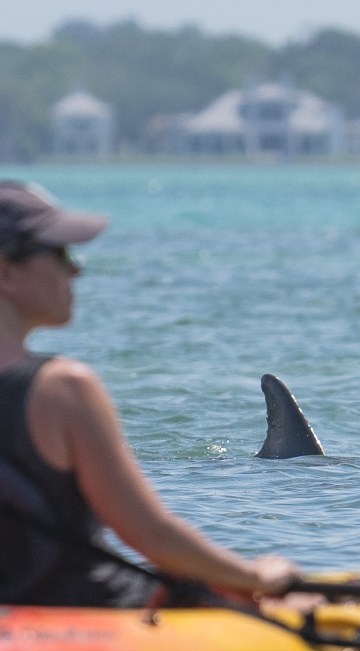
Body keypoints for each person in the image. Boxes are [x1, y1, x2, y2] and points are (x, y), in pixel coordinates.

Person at [0, 180, 302, 608]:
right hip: (92, 618)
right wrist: (260, 576)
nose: (75, 270)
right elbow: (151, 535)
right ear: (5, 271)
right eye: (60, 254)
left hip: (18, 625)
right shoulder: (64, 389)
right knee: (301, 608)